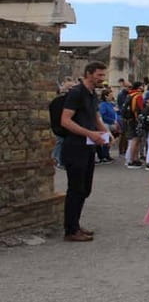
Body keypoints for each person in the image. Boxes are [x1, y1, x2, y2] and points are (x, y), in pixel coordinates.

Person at [59, 62, 109, 242]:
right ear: (88, 74)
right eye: (99, 75)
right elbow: (65, 120)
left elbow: (94, 117)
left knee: (85, 188)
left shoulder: (92, 94)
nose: (102, 79)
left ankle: (75, 224)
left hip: (88, 146)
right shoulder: (76, 93)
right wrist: (90, 133)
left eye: (103, 75)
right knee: (75, 188)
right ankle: (70, 230)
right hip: (75, 146)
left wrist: (105, 133)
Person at [123, 81, 145, 169]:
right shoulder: (138, 96)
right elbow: (139, 109)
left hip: (130, 119)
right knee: (136, 140)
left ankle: (134, 159)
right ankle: (132, 160)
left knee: (135, 140)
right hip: (136, 120)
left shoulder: (130, 95)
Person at [97, 89, 117, 164]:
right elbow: (103, 115)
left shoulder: (110, 104)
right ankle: (104, 155)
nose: (112, 96)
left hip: (111, 123)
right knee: (106, 139)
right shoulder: (103, 105)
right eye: (110, 95)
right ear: (106, 96)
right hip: (105, 124)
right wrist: (112, 120)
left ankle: (106, 154)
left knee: (109, 139)